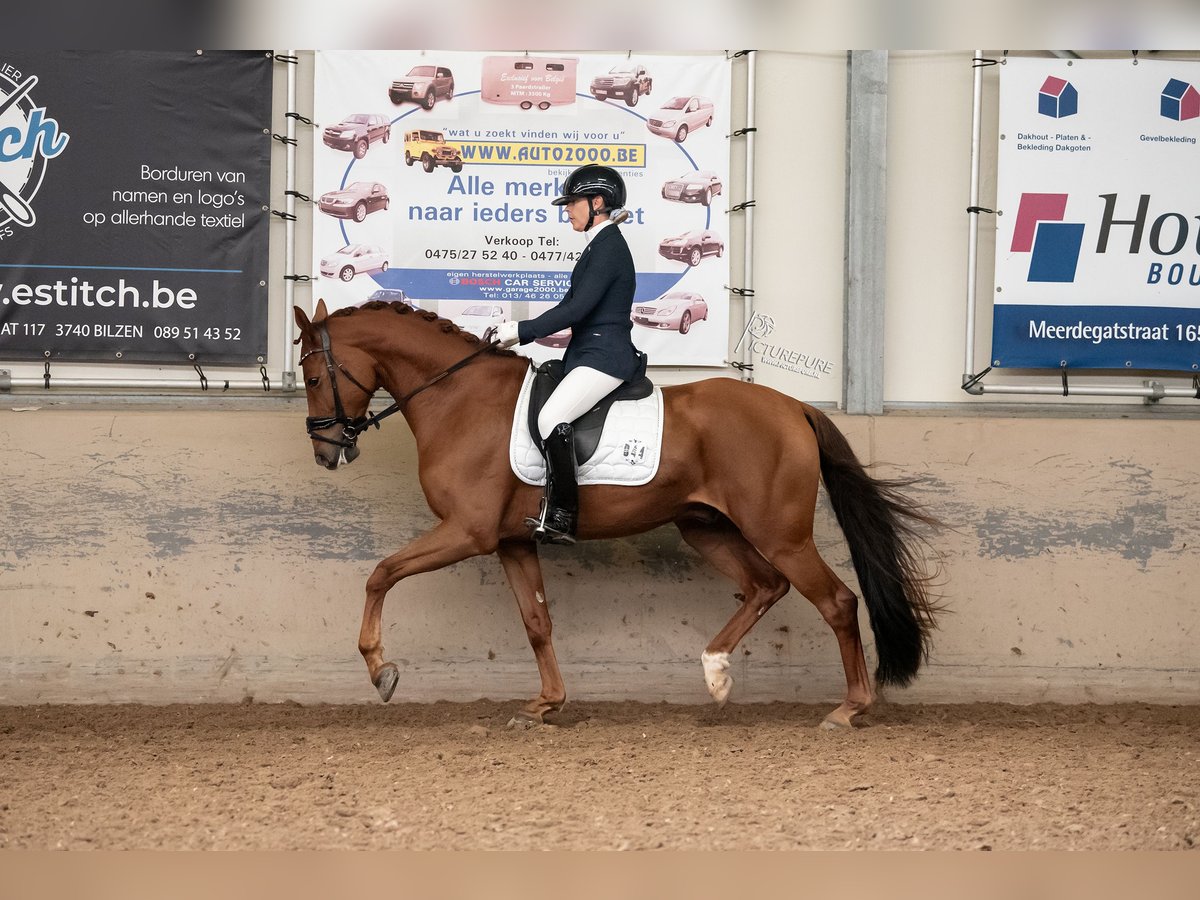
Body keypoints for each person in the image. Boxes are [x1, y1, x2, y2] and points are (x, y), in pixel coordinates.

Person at [495, 164, 645, 545]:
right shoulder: (598, 245)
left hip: (605, 357)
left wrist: (520, 331)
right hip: (587, 354)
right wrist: (518, 334)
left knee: (552, 417)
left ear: (597, 202)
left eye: (573, 203)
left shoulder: (609, 246)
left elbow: (576, 312)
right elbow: (570, 304)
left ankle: (563, 514)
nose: (567, 210)